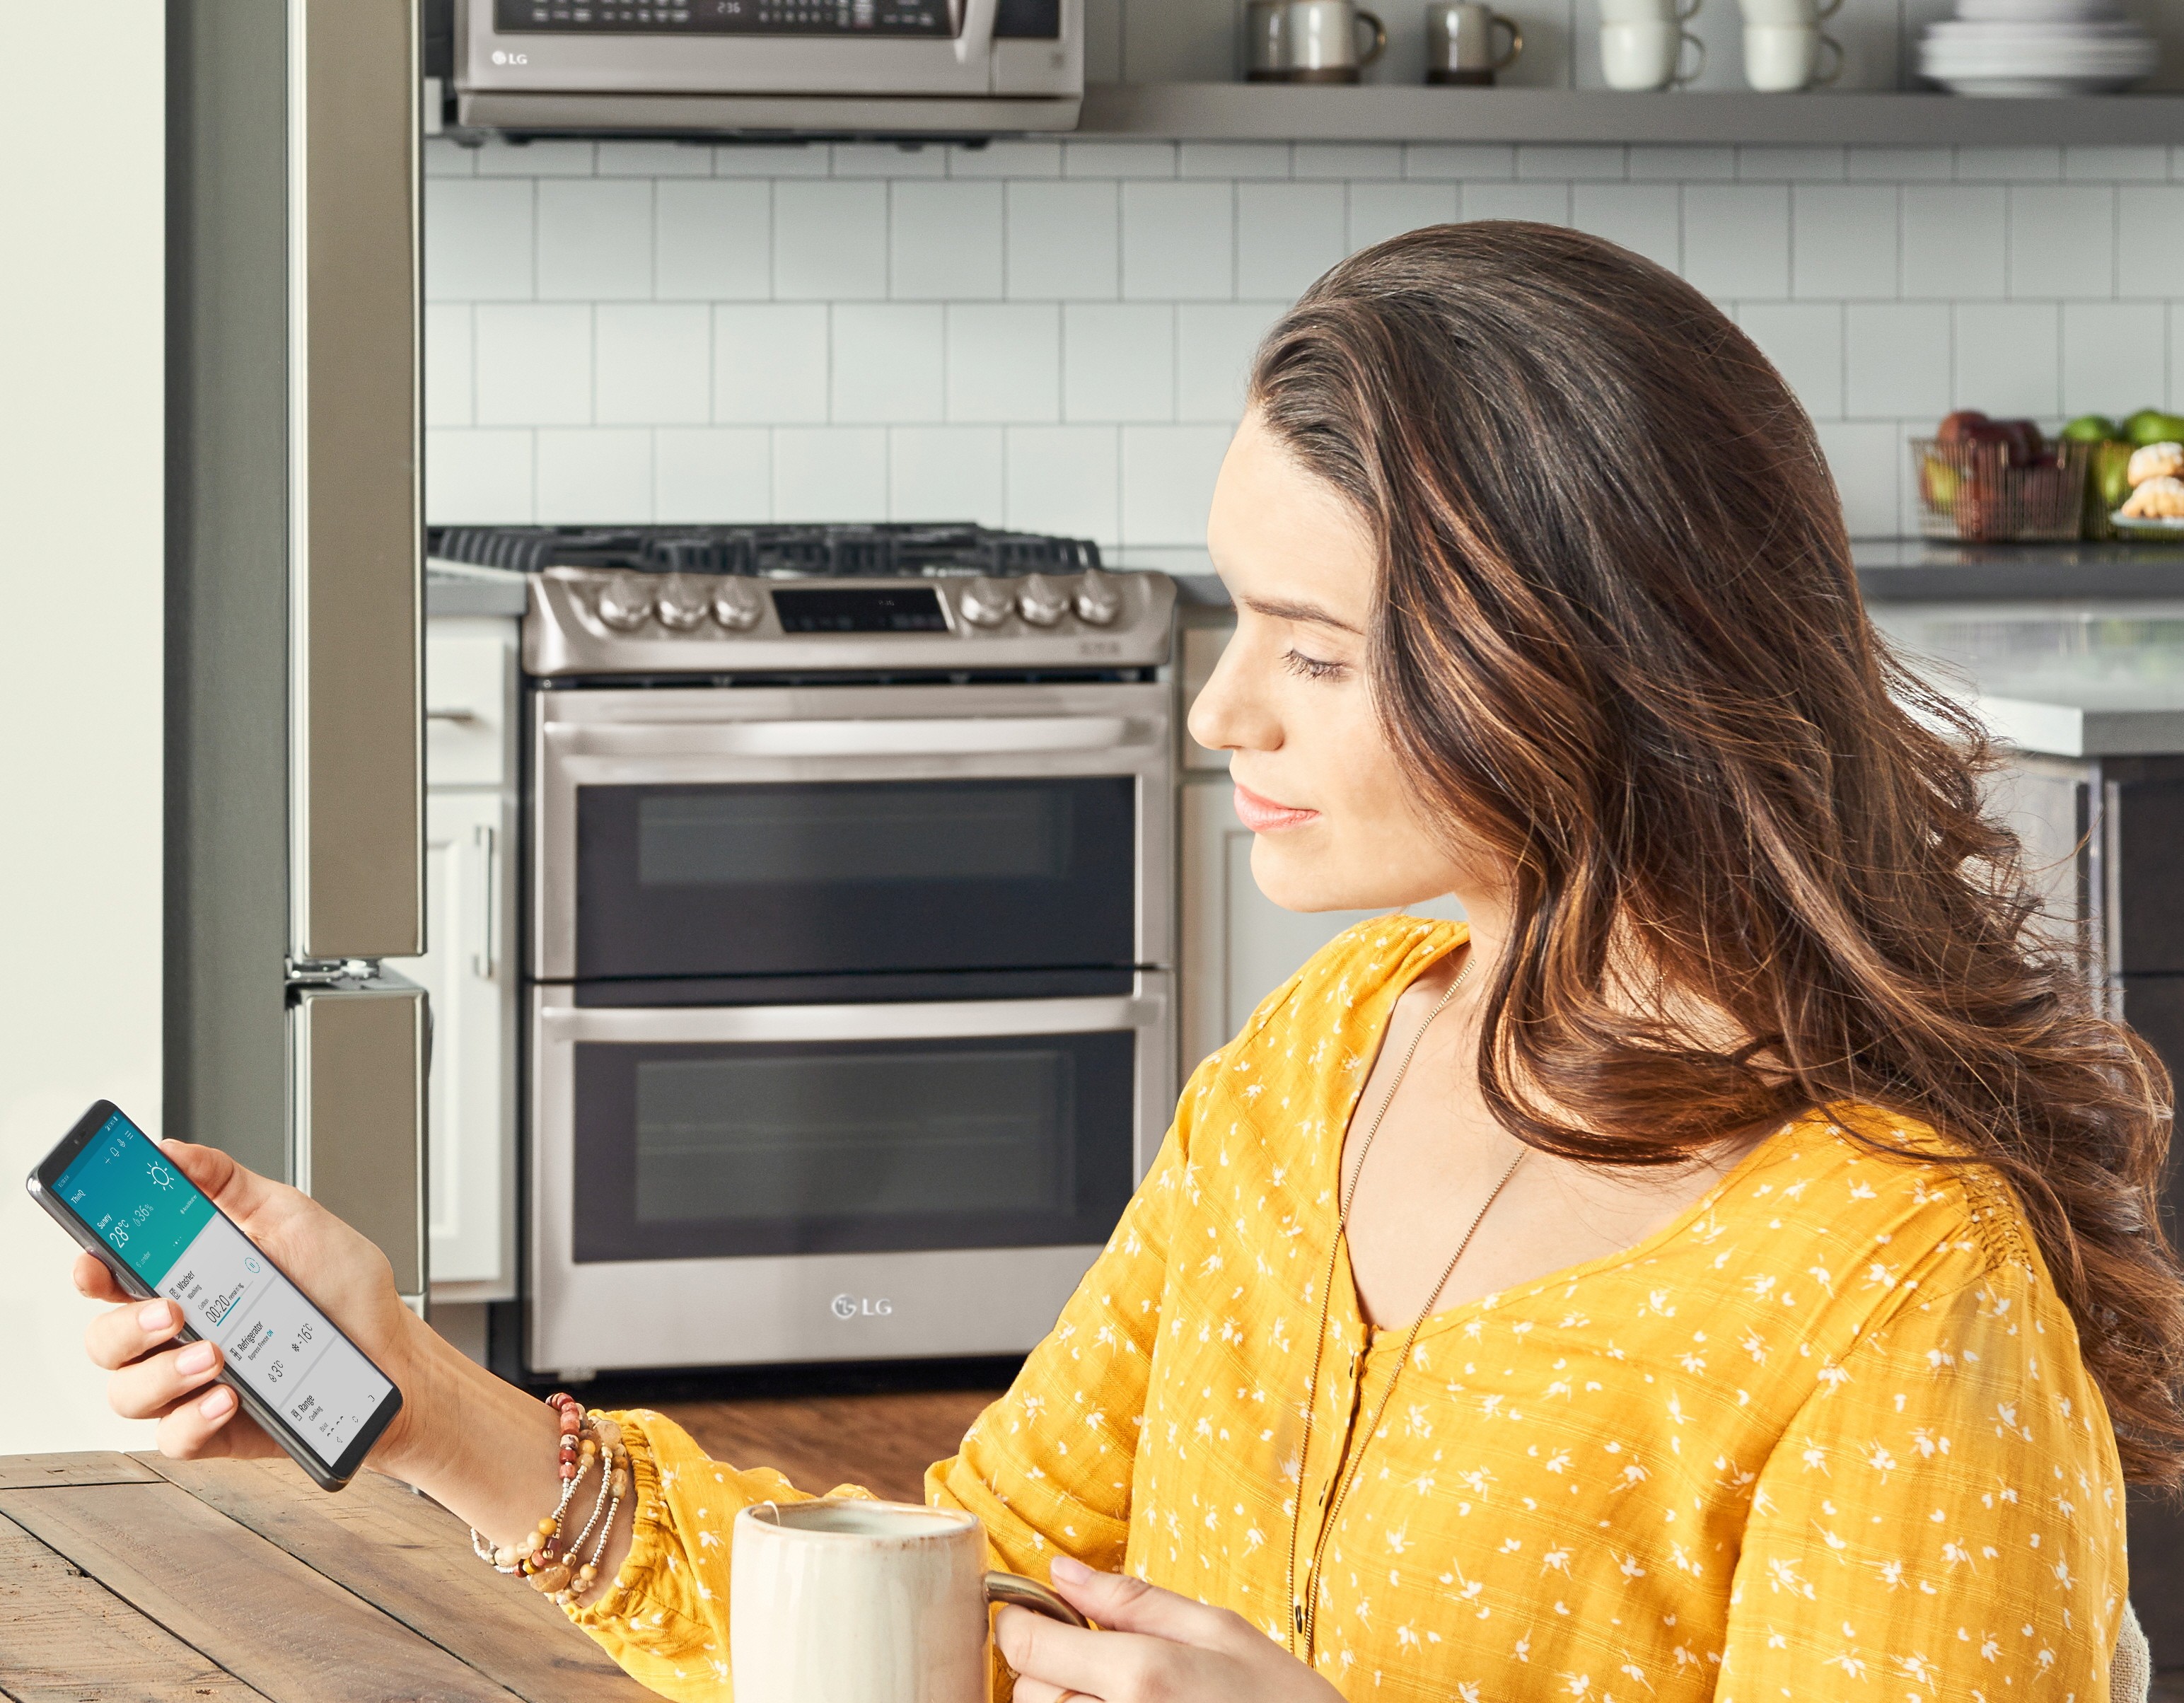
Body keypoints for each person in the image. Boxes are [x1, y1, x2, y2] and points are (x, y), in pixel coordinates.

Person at [74, 222, 2184, 1702]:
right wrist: (416, 1396)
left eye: (1319, 652)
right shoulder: (1325, 1065)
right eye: (1231, 617)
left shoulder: (1897, 1293)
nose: (1218, 714)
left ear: (1596, 676)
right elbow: (952, 1616)